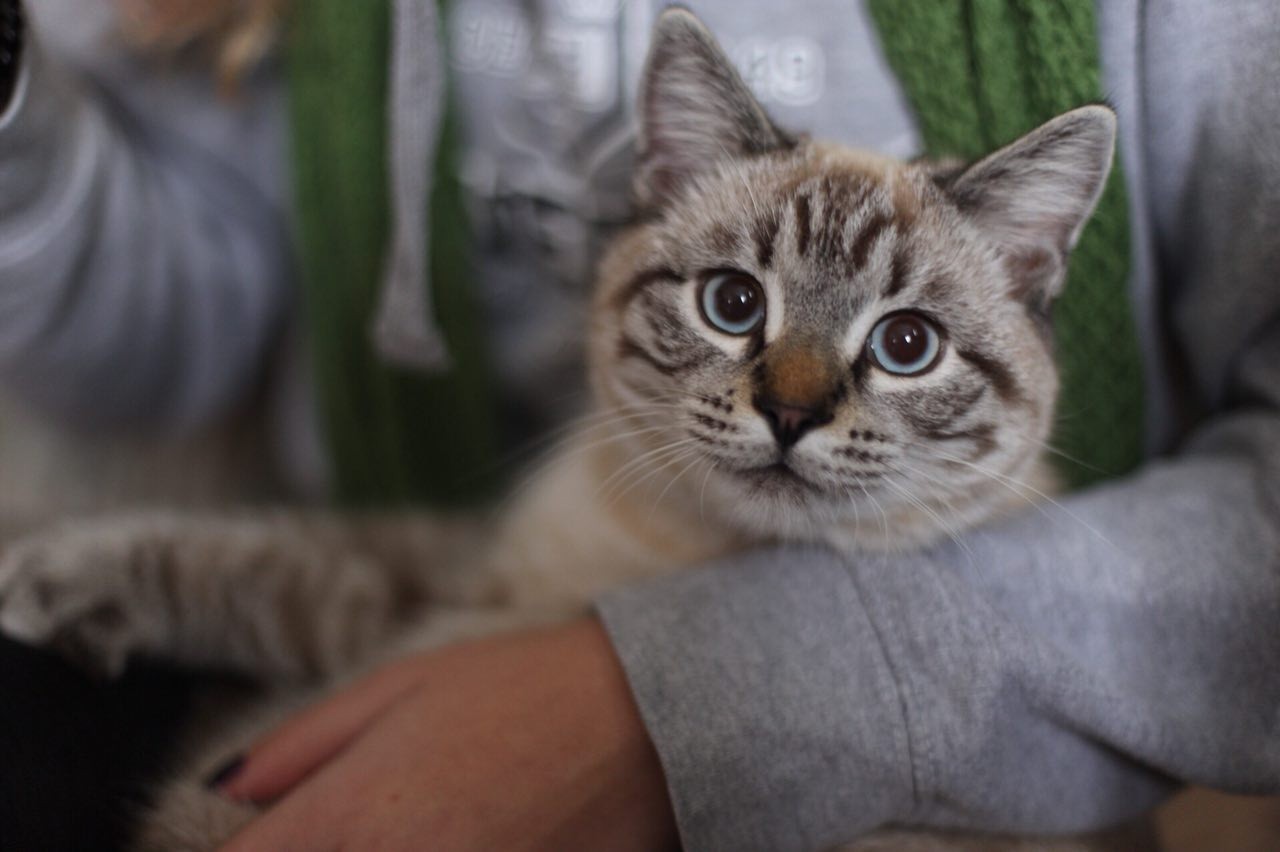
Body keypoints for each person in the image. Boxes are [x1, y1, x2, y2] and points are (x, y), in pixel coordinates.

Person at [0, 1, 1277, 851]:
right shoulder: (613, 478)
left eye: (902, 342)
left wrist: (670, 709)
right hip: (367, 635)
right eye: (737, 305)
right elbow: (174, 322)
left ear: (1032, 270)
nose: (790, 399)